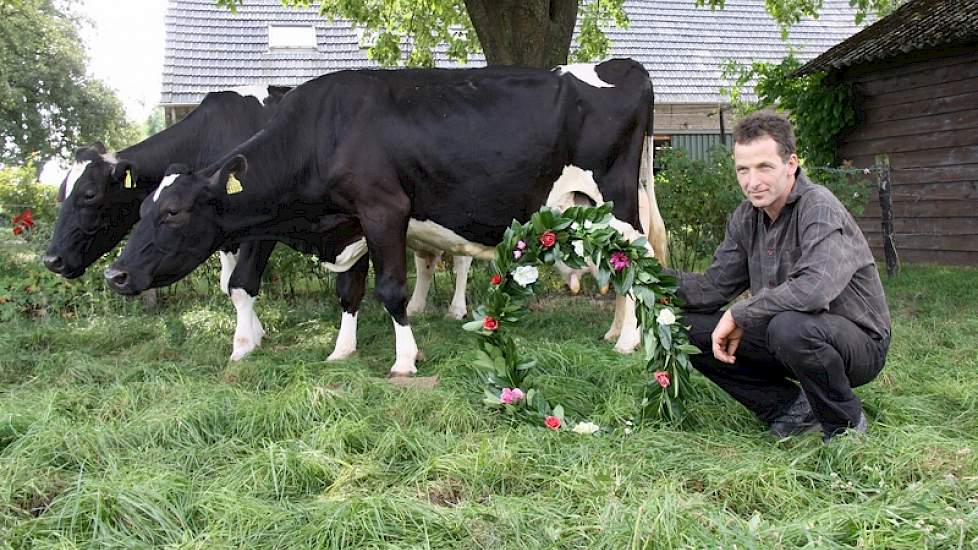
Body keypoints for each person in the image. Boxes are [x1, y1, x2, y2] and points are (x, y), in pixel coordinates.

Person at [670, 112, 891, 442]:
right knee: (683, 328)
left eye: (764, 167)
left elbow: (814, 290)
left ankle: (845, 427)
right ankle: (791, 410)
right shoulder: (747, 217)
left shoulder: (819, 207)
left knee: (789, 327)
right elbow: (713, 288)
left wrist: (739, 313)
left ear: (791, 163)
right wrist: (639, 269)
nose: (752, 181)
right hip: (785, 335)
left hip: (856, 343)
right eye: (742, 170)